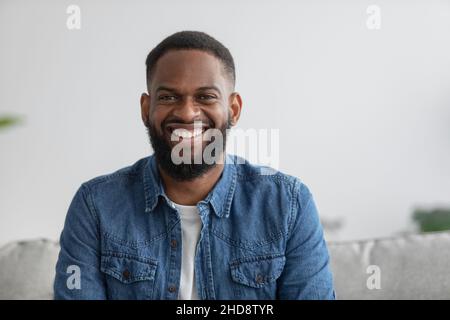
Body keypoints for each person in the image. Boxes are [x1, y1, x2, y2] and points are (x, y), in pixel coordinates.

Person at [54, 31, 335, 300]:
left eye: (205, 96)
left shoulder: (289, 204)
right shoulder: (95, 206)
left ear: (233, 109)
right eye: (168, 97)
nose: (187, 112)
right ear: (145, 109)